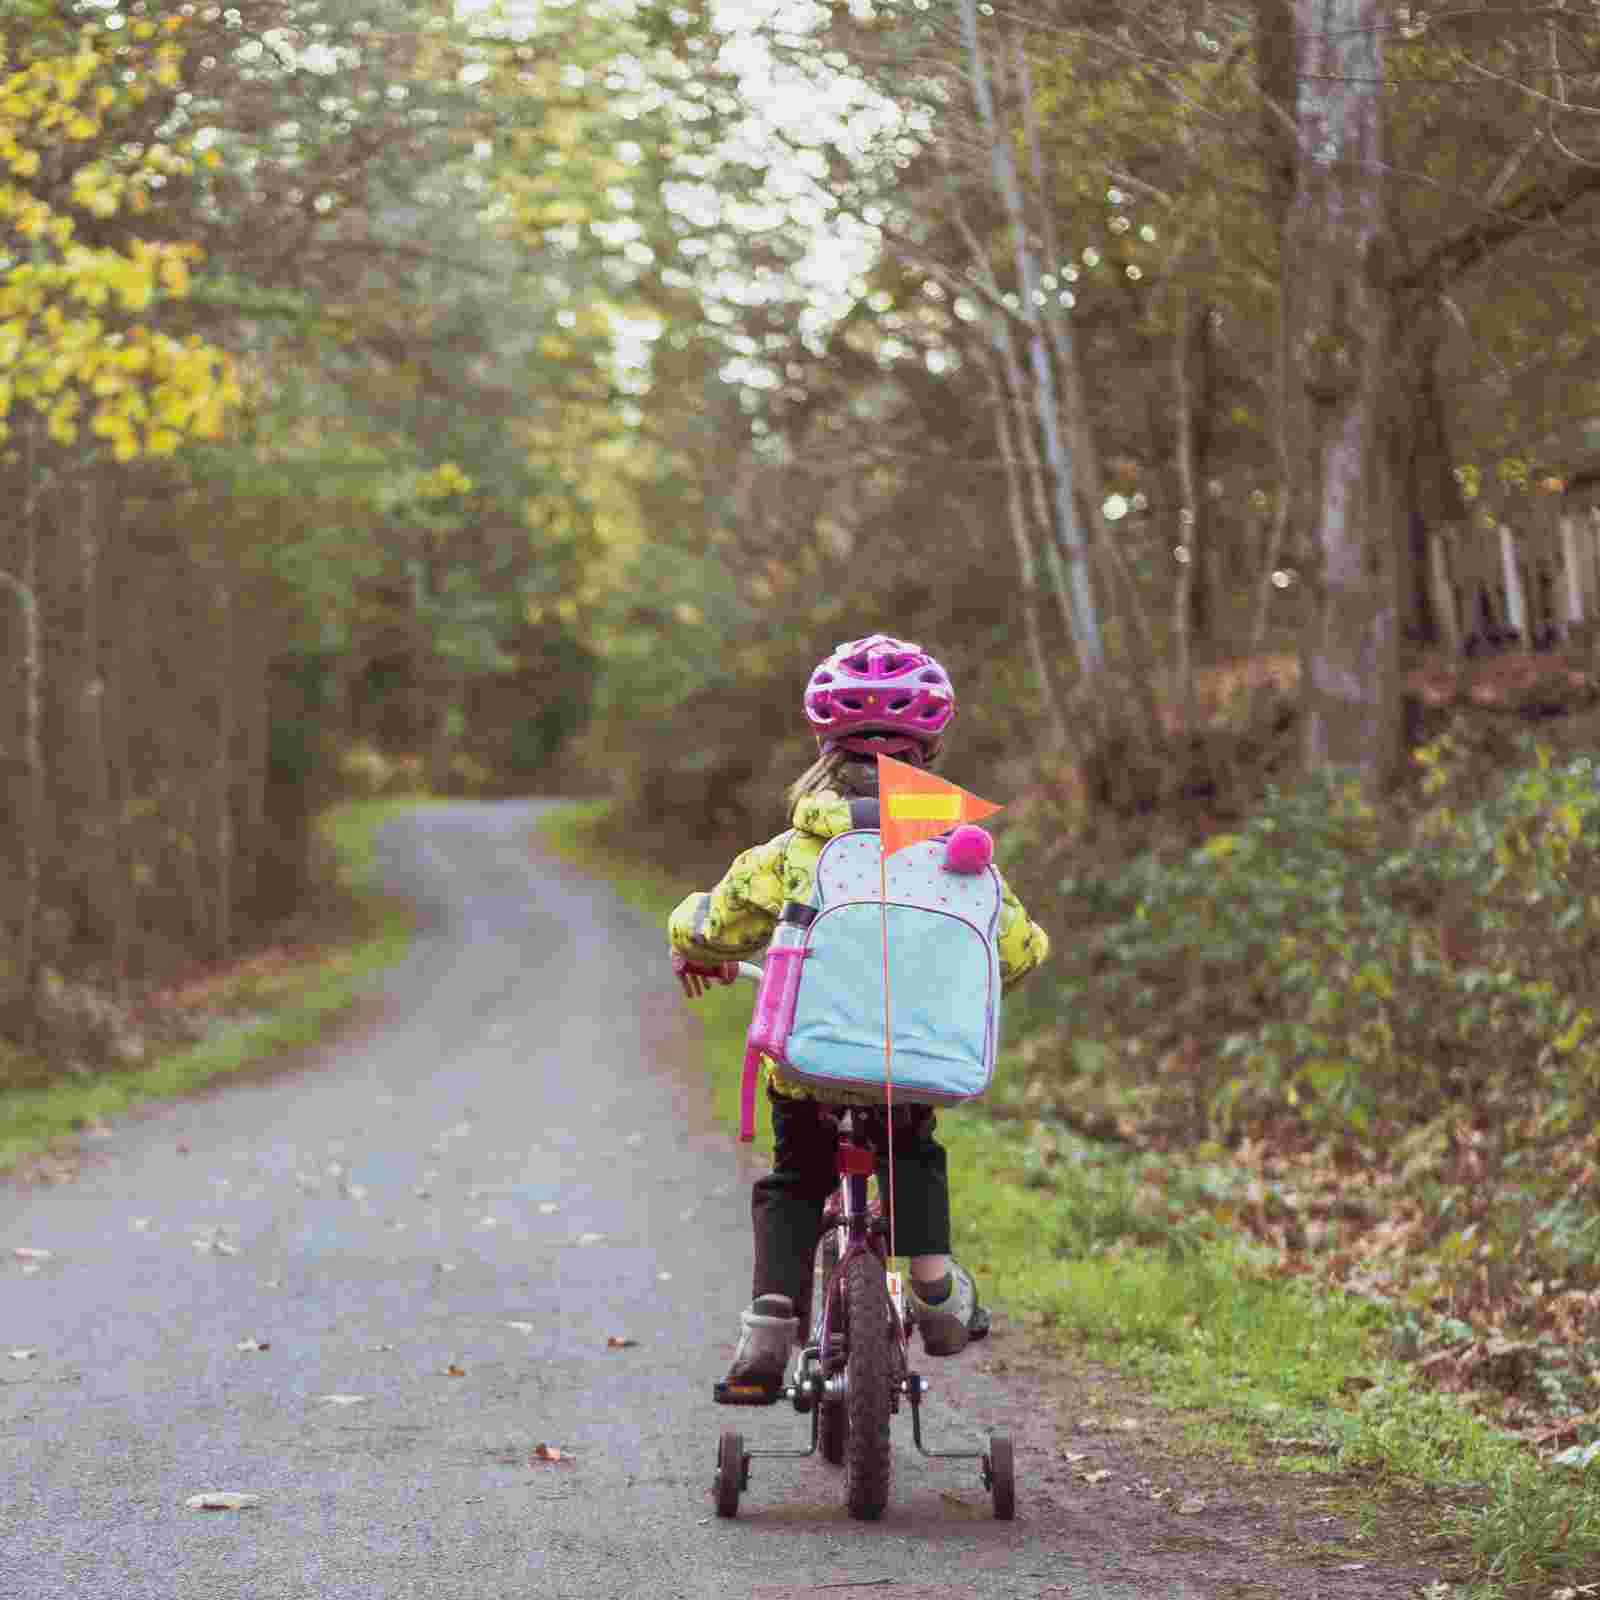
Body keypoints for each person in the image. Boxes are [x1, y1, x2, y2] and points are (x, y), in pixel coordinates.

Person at [668, 633, 1051, 1395]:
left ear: (821, 739)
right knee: (913, 1149)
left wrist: (690, 939)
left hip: (810, 1067)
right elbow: (1019, 949)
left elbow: (715, 922)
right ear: (932, 745)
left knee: (793, 1176)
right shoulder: (958, 850)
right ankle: (938, 1290)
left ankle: (768, 1331)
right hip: (913, 1070)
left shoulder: (795, 849)